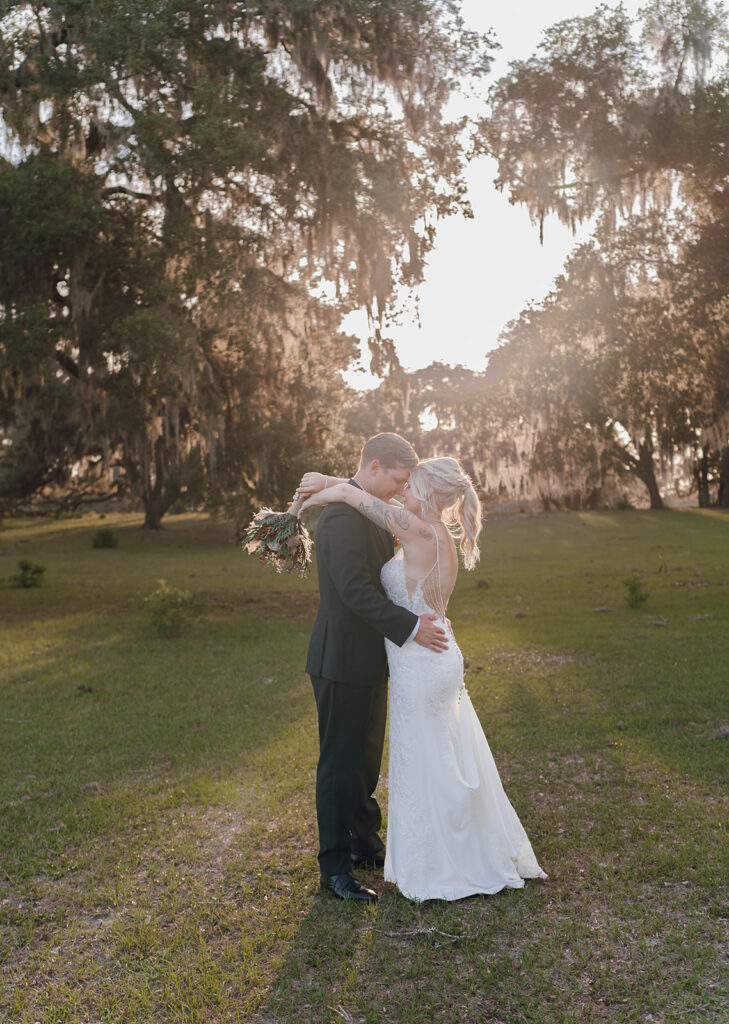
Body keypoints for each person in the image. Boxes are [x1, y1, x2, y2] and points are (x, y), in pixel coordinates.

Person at [298, 455, 546, 902]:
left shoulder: (416, 529)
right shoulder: (434, 532)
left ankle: (442, 860)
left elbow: (359, 494)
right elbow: (368, 495)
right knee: (440, 757)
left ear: (428, 494)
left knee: (426, 761)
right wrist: (335, 482)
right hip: (433, 655)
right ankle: (441, 849)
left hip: (422, 659)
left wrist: (324, 488)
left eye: (408, 487)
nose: (401, 494)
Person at [301, 434, 449, 904]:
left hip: (375, 660)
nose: (397, 491)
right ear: (377, 466)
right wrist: (411, 627)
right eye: (398, 481)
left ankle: (365, 842)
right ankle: (334, 867)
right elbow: (355, 592)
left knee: (365, 761)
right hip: (341, 659)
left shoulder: (365, 508)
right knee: (339, 765)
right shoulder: (343, 518)